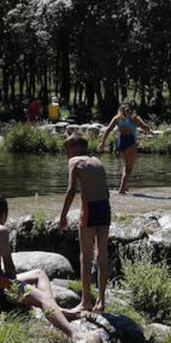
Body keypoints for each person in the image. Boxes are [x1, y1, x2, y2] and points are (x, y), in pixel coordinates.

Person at [0, 195, 77, 336]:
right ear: (5, 215)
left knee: (39, 273)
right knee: (41, 298)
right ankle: (74, 333)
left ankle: (56, 309)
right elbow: (9, 265)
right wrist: (19, 291)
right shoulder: (0, 231)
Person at [59, 134, 111, 313]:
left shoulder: (74, 161)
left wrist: (63, 216)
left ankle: (86, 302)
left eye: (67, 148)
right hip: (105, 207)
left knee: (86, 255)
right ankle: (102, 302)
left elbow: (71, 190)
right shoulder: (98, 161)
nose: (66, 152)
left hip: (89, 208)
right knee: (102, 254)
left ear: (75, 148)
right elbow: (105, 189)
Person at [98, 99, 153, 195]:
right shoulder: (135, 118)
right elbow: (145, 127)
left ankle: (125, 186)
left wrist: (102, 143)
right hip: (131, 142)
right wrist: (150, 131)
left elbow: (108, 130)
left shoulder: (117, 118)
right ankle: (122, 190)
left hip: (121, 142)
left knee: (126, 165)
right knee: (129, 168)